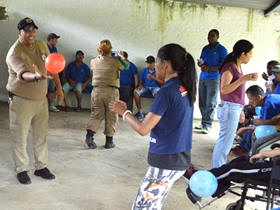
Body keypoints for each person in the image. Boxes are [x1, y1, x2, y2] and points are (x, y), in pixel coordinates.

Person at [109, 43, 197, 209]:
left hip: (166, 160)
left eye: (156, 62)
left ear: (165, 64)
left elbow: (143, 128)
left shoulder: (167, 92)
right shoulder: (183, 87)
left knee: (142, 207)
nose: (155, 67)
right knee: (153, 204)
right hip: (178, 156)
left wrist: (124, 112)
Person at [6, 17, 64, 184]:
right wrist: (36, 77)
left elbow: (52, 66)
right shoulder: (14, 53)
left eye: (33, 30)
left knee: (41, 135)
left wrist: (59, 87)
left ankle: (41, 167)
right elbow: (23, 74)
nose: (31, 34)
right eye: (27, 31)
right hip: (21, 100)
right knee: (20, 136)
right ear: (19, 32)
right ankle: (21, 169)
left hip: (41, 100)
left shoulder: (41, 45)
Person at [211, 39, 258, 169]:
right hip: (228, 108)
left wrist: (241, 109)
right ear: (243, 53)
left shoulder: (237, 67)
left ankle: (219, 168)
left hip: (233, 108)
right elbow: (224, 89)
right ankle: (218, 170)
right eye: (250, 53)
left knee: (227, 141)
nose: (251, 56)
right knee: (225, 142)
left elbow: (236, 92)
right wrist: (244, 79)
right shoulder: (229, 67)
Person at [186, 147, 280, 200]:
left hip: (275, 172)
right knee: (243, 159)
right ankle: (217, 186)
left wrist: (262, 154)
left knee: (233, 170)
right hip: (275, 166)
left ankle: (201, 180)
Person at [85, 40, 128, 149]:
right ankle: (109, 141)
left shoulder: (93, 61)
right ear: (111, 49)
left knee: (96, 114)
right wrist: (122, 56)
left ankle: (89, 136)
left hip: (96, 91)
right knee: (111, 116)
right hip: (111, 91)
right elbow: (127, 66)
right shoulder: (115, 61)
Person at [195, 29, 228, 134]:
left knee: (211, 102)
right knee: (202, 101)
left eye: (212, 36)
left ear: (218, 37)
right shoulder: (205, 48)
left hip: (214, 78)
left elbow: (223, 65)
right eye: (209, 35)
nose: (210, 38)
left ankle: (208, 125)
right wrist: (200, 64)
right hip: (203, 77)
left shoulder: (222, 50)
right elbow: (202, 60)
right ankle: (204, 123)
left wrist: (209, 69)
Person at [231, 85, 280, 155]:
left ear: (259, 97)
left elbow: (268, 123)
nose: (249, 102)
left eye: (251, 99)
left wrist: (254, 127)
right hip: (275, 123)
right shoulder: (267, 99)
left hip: (276, 126)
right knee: (252, 127)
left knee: (253, 132)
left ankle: (246, 149)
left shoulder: (269, 104)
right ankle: (242, 146)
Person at [46, 32, 61, 112]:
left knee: (51, 89)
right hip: (46, 73)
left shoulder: (54, 48)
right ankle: (42, 106)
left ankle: (51, 105)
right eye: (55, 40)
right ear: (51, 39)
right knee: (44, 89)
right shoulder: (45, 47)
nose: (57, 41)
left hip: (53, 72)